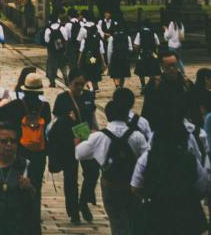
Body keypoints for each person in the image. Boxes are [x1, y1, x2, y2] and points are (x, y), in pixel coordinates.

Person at [75, 90, 148, 235]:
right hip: (132, 183)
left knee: (116, 219)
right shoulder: (137, 136)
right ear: (125, 115)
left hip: (111, 183)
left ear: (107, 115)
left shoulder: (99, 137)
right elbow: (147, 158)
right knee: (133, 217)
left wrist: (80, 136)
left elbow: (79, 154)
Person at [130, 107, 209, 235]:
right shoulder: (189, 158)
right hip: (186, 214)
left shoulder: (147, 157)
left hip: (156, 213)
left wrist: (149, 195)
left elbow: (135, 187)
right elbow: (203, 185)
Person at [0, 72, 51, 218]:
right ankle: (34, 213)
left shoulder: (16, 105)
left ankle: (20, 211)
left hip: (21, 150)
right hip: (39, 151)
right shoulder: (45, 107)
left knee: (19, 181)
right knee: (36, 182)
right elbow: (48, 123)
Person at [51, 68, 99, 224]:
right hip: (68, 141)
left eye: (82, 84)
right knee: (70, 177)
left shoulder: (88, 96)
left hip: (86, 138)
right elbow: (56, 123)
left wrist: (97, 132)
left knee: (92, 172)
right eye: (76, 84)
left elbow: (92, 117)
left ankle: (83, 201)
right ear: (69, 82)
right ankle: (73, 212)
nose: (79, 87)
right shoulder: (62, 98)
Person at [0, 117, 39, 235]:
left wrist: (29, 188)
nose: (9, 144)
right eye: (4, 141)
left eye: (13, 141)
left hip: (17, 227)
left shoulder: (25, 165)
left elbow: (34, 201)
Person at [133, 23, 161, 92]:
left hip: (142, 54)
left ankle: (143, 85)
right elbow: (157, 44)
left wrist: (138, 52)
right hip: (152, 54)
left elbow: (136, 45)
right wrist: (155, 52)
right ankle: (151, 85)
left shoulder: (139, 33)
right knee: (152, 71)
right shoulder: (153, 33)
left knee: (141, 72)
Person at [44, 15, 69, 87]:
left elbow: (46, 40)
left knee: (52, 66)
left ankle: (52, 82)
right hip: (61, 50)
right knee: (63, 66)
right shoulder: (62, 28)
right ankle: (66, 79)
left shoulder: (48, 29)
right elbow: (66, 39)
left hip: (52, 51)